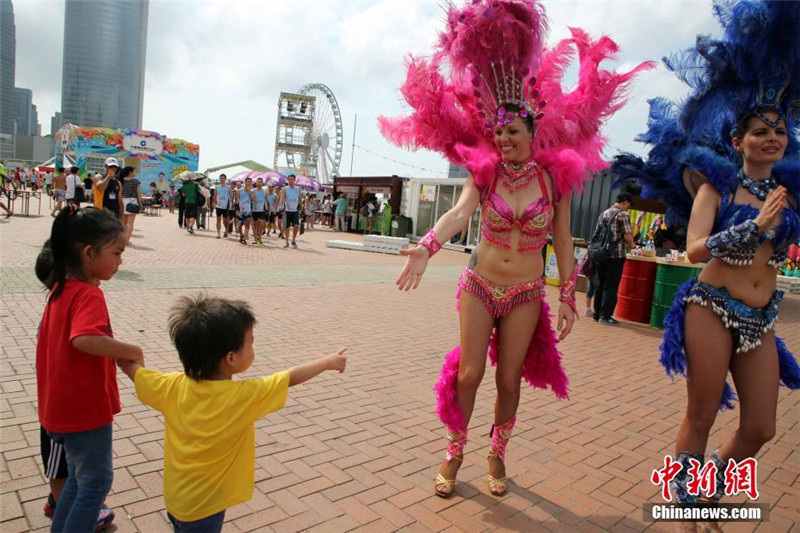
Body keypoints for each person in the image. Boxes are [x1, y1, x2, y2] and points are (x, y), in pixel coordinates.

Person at [381, 0, 650, 497]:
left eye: (512, 131)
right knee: (470, 370)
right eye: (498, 131)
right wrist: (427, 245)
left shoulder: (556, 181)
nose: (502, 139)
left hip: (526, 291)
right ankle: (454, 449)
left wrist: (568, 296)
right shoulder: (484, 173)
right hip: (481, 285)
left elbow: (565, 240)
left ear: (531, 131)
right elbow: (460, 214)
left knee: (509, 381)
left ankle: (497, 452)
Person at [611, 0, 800, 521]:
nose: (771, 138)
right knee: (700, 412)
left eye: (778, 130)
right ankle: (685, 502)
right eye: (760, 131)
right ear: (738, 141)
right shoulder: (716, 187)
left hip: (760, 318)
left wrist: (778, 230)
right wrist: (754, 226)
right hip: (711, 307)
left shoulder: (789, 193)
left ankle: (707, 480)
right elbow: (694, 250)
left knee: (762, 426)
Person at [116, 295, 347, 533]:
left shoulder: (172, 386)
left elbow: (139, 375)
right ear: (231, 358)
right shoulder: (242, 397)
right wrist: (328, 362)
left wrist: (126, 361)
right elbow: (289, 378)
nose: (253, 347)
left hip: (177, 499)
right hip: (206, 507)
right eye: (251, 343)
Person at [34, 206, 144, 532]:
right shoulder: (88, 294)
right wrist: (131, 350)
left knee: (78, 482)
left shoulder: (60, 287)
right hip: (84, 412)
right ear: (88, 253)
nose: (121, 261)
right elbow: (83, 338)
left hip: (59, 409)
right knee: (96, 482)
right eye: (117, 253)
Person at [590, 192, 635, 325]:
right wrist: (633, 246)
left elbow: (597, 234)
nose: (628, 207)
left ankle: (596, 314)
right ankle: (606, 316)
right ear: (625, 202)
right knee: (611, 286)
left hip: (601, 254)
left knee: (600, 285)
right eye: (629, 204)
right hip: (616, 255)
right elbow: (627, 237)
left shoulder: (604, 213)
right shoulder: (623, 215)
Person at [120, 167, 142, 244]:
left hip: (122, 201)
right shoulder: (136, 181)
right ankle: (126, 240)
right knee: (130, 223)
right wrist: (140, 204)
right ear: (130, 172)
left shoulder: (121, 180)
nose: (135, 172)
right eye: (134, 171)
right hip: (132, 202)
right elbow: (138, 193)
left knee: (123, 223)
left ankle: (122, 239)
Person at [279, 174, 301, 248]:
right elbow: (282, 199)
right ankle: (286, 242)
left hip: (295, 210)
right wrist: (281, 207)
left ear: (294, 180)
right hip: (287, 210)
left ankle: (293, 240)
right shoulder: (285, 189)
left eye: (292, 179)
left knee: (296, 226)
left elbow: (299, 198)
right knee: (286, 227)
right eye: (289, 179)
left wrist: (301, 207)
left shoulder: (298, 189)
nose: (290, 181)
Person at [237, 177, 254, 245]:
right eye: (247, 182)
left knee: (247, 225)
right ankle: (241, 235)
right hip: (241, 210)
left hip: (248, 211)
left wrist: (250, 192)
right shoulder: (239, 191)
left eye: (250, 182)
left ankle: (244, 239)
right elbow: (237, 200)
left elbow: (253, 199)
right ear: (245, 182)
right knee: (239, 226)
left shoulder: (251, 191)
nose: (249, 183)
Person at [214, 174, 231, 239]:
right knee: (218, 219)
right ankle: (218, 233)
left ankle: (226, 231)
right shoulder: (217, 187)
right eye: (220, 178)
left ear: (225, 179)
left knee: (225, 221)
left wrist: (232, 204)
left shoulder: (228, 187)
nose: (221, 179)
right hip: (218, 206)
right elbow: (215, 196)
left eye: (222, 178)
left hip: (226, 206)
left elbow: (231, 196)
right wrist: (214, 203)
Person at [252, 177, 267, 244]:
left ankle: (259, 237)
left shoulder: (264, 191)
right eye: (258, 182)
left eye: (261, 182)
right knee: (255, 225)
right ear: (256, 182)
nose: (260, 183)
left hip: (262, 210)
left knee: (261, 224)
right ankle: (255, 239)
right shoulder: (253, 190)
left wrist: (268, 209)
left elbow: (266, 200)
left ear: (262, 183)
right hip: (254, 210)